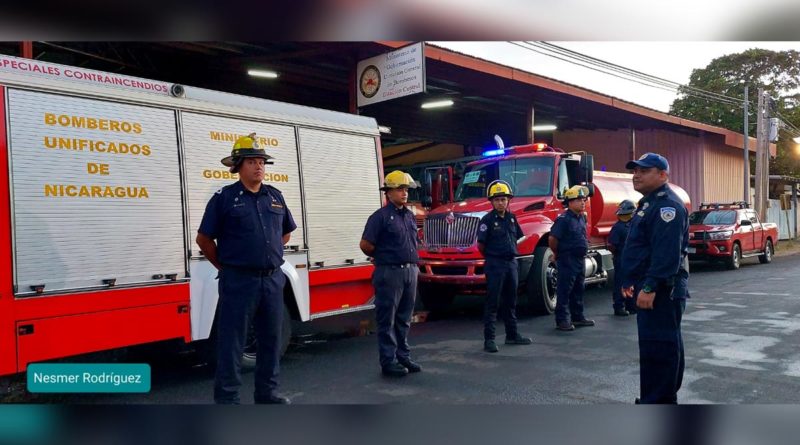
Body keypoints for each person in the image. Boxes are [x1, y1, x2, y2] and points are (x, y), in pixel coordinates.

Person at [196, 133, 297, 404]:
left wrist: (267, 255)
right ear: (238, 165)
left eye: (262, 161)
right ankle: (227, 399)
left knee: (271, 340)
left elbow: (285, 233)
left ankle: (267, 393)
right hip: (238, 281)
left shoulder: (275, 197)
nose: (259, 167)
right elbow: (204, 239)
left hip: (273, 280)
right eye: (252, 161)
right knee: (232, 343)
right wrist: (226, 265)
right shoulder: (224, 198)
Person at [620, 152, 689, 404]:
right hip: (649, 286)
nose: (636, 175)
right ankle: (655, 397)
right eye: (635, 170)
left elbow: (666, 253)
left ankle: (659, 401)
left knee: (660, 347)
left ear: (662, 175)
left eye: (644, 170)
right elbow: (640, 248)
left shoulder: (666, 206)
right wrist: (629, 282)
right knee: (654, 347)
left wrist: (649, 286)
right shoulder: (649, 203)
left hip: (660, 290)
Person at [360, 170, 422, 377]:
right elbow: (366, 244)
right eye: (399, 189)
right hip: (390, 272)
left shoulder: (409, 216)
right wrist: (384, 256)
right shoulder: (380, 217)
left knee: (404, 318)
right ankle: (388, 361)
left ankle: (403, 356)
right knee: (387, 319)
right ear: (388, 192)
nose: (404, 193)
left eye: (405, 189)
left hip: (410, 271)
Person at [477, 180, 533, 353]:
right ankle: (489, 340)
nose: (501, 202)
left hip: (511, 263)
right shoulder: (487, 220)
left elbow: (518, 237)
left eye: (504, 199)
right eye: (497, 199)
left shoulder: (511, 218)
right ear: (492, 201)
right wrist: (494, 256)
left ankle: (512, 334)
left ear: (509, 201)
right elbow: (481, 245)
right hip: (495, 264)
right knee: (493, 302)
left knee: (511, 301)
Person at [548, 185, 596, 331]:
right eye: (578, 200)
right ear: (570, 202)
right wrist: (558, 254)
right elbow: (552, 239)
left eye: (583, 199)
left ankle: (578, 317)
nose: (582, 202)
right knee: (565, 290)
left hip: (579, 259)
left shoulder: (581, 217)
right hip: (567, 258)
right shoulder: (563, 219)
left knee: (578, 288)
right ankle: (562, 320)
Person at [608, 199, 638, 316]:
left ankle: (631, 305)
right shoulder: (618, 227)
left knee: (632, 281)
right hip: (621, 258)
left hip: (632, 258)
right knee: (620, 282)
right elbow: (612, 245)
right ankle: (619, 306)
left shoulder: (633, 225)